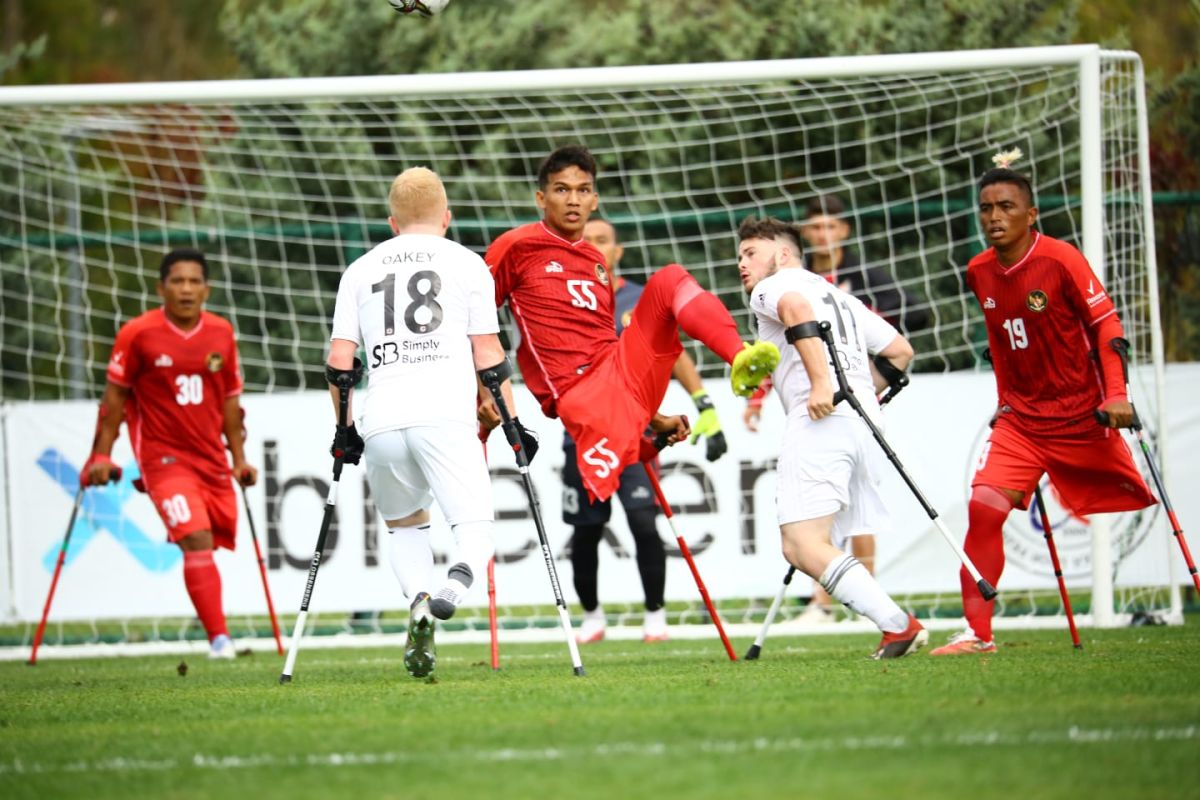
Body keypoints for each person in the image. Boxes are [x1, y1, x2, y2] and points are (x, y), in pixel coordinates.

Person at [929, 151, 1156, 655]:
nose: (993, 217)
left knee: (1131, 497)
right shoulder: (978, 270)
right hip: (1023, 422)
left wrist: (1116, 394)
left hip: (1081, 413)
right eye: (985, 207)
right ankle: (977, 634)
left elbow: (1107, 326)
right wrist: (1005, 400)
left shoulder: (1060, 258)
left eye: (1006, 206)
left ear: (1031, 215)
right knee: (983, 507)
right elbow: (1001, 343)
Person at [480, 143, 777, 507]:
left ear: (594, 200)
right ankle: (642, 436)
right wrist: (483, 394)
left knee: (669, 278)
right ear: (541, 197)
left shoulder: (595, 262)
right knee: (600, 525)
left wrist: (655, 417)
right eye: (562, 190)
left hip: (617, 378)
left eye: (582, 190)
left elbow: (608, 347)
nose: (573, 200)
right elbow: (473, 322)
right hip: (577, 391)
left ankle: (740, 356)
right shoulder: (515, 246)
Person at [326, 166, 519, 678]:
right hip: (443, 415)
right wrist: (515, 424)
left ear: (392, 222)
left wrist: (344, 430)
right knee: (475, 529)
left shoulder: (359, 269)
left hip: (383, 418)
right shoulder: (466, 263)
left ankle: (418, 600)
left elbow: (340, 363)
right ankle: (454, 588)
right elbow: (489, 353)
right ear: (447, 218)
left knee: (406, 526)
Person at [739, 215, 927, 660]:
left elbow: (795, 312)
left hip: (821, 418)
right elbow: (901, 351)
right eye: (740, 257)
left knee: (801, 544)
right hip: (862, 421)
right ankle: (893, 624)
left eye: (750, 254)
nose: (743, 265)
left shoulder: (774, 286)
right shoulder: (840, 295)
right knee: (810, 543)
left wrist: (822, 385)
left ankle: (898, 625)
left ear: (782, 254)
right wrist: (863, 395)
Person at [82, 248, 257, 660]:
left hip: (211, 459)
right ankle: (220, 641)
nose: (186, 289)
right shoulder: (137, 334)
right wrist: (100, 457)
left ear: (206, 289)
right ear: (161, 287)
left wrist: (239, 458)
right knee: (195, 537)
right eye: (177, 281)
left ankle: (218, 636)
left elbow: (231, 401)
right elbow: (114, 401)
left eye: (194, 281)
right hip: (162, 460)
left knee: (208, 541)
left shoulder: (221, 333)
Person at [566, 217, 728, 645]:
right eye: (587, 241)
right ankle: (592, 616)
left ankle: (655, 616)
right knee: (586, 529)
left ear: (618, 252)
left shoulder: (640, 298)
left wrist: (704, 406)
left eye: (603, 241)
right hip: (583, 435)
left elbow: (673, 354)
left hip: (636, 434)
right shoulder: (566, 299)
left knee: (643, 522)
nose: (595, 248)